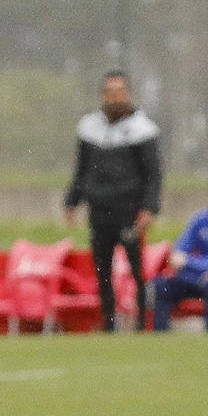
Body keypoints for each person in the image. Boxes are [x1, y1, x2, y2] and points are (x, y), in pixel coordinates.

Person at [64, 69, 163, 332]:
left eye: (119, 92)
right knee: (102, 271)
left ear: (128, 94)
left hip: (129, 211)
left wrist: (149, 208)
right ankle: (109, 325)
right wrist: (72, 200)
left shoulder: (143, 130)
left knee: (137, 270)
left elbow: (153, 174)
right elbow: (82, 169)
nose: (114, 98)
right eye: (110, 92)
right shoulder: (90, 127)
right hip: (99, 211)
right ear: (103, 95)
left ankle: (142, 324)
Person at [153, 171, 208, 332]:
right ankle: (159, 336)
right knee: (162, 285)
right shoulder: (201, 220)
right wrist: (199, 267)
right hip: (194, 279)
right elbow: (177, 254)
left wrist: (190, 262)